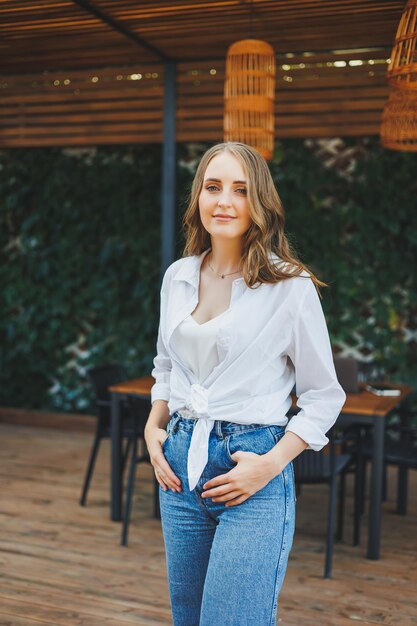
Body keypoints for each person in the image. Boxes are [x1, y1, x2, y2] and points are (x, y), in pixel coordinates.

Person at [144, 141, 346, 626]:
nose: (225, 201)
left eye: (241, 189)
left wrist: (270, 466)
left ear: (260, 204)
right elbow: (166, 365)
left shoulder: (289, 286)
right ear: (197, 198)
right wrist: (154, 426)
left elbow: (324, 396)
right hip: (179, 465)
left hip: (253, 466)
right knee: (188, 619)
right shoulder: (178, 277)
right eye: (213, 187)